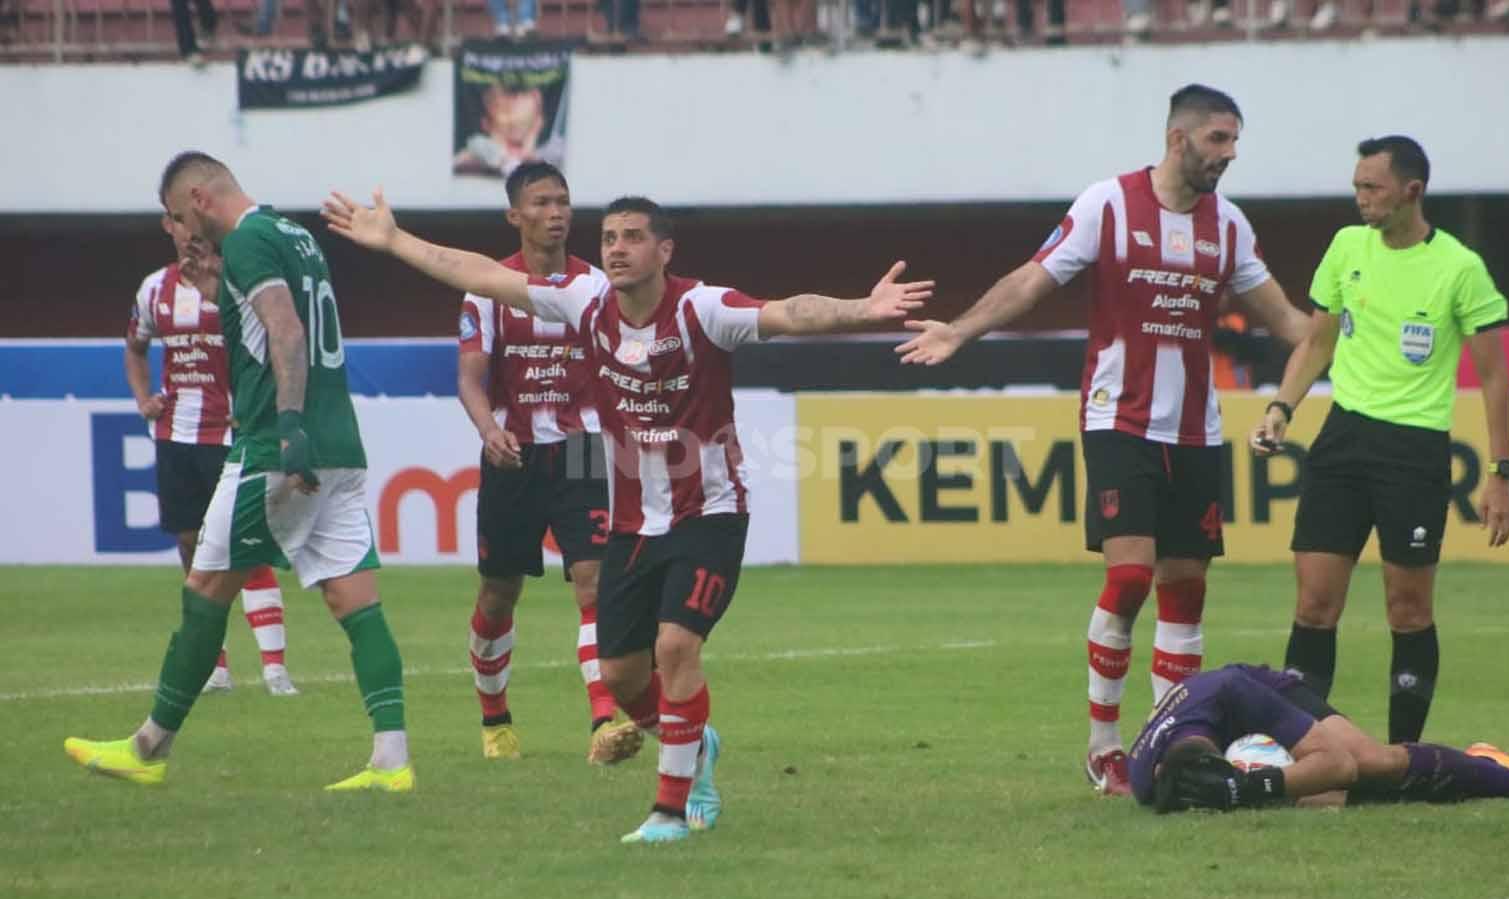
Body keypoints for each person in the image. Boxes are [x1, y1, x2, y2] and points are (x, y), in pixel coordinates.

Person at [321, 188, 932, 843]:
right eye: (609, 237)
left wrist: (863, 308)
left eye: (633, 237)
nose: (616, 249)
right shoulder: (585, 303)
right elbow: (482, 274)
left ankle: (670, 810)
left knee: (676, 647)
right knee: (621, 675)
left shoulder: (702, 309)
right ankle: (697, 745)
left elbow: (788, 312)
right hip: (634, 524)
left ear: (664, 251)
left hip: (710, 514)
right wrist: (395, 241)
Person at [897, 84, 1308, 797]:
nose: (1230, 154)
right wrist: (960, 331)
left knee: (1186, 588)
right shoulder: (1108, 204)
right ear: (1178, 138)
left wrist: (1349, 333)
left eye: (1235, 141)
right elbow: (1032, 280)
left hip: (1197, 431)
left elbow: (1291, 323)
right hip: (1119, 419)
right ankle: (1104, 747)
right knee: (1130, 577)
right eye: (1218, 139)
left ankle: (1170, 744)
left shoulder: (1229, 225)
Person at [66, 152, 413, 793]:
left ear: (200, 198)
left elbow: (286, 330)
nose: (179, 232)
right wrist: (215, 290)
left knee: (204, 589)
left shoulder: (249, 239)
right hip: (340, 441)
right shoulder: (293, 235)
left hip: (275, 444)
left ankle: (148, 747)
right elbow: (268, 324)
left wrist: (288, 425)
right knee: (356, 601)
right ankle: (393, 761)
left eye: (178, 217)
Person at [1250, 136, 1509, 746]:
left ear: (1411, 192)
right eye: (1357, 186)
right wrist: (1280, 408)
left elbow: (1495, 377)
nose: (1361, 198)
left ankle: (1403, 759)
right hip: (1342, 440)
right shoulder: (1346, 247)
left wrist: (1500, 472)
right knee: (1314, 605)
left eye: (1372, 188)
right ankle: (1311, 750)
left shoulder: (1459, 267)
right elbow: (1318, 342)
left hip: (1414, 451)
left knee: (1408, 610)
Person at [458, 161, 642, 765]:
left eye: (562, 200)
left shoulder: (597, 287)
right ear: (515, 215)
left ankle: (603, 721)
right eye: (541, 202)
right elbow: (470, 378)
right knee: (498, 594)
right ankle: (495, 719)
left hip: (583, 449)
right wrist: (489, 431)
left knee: (594, 582)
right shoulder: (487, 289)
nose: (556, 212)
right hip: (512, 455)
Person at [126, 213, 297, 698]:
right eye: (180, 222)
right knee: (191, 546)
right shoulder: (154, 288)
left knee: (246, 546)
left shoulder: (239, 285)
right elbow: (135, 347)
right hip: (175, 435)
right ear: (169, 226)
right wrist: (143, 398)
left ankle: (274, 669)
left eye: (197, 224)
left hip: (230, 434)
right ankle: (215, 667)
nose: (190, 234)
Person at [1125, 662, 1509, 812]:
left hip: (1261, 694)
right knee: (1329, 798)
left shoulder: (1232, 690)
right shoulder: (1147, 777)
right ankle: (1478, 765)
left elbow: (1341, 764)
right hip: (1229, 733)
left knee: (1373, 764)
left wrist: (1248, 788)